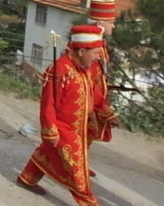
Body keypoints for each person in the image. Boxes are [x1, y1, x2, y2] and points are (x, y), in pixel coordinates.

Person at [16, 25, 105, 206]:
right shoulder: (59, 71)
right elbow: (48, 104)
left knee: (48, 152)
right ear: (81, 51)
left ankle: (27, 178)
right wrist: (50, 131)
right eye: (95, 53)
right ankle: (89, 202)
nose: (98, 57)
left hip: (79, 127)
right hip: (63, 128)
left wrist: (99, 112)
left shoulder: (84, 69)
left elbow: (91, 92)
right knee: (76, 169)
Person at [85, 0, 119, 176]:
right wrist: (103, 107)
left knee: (86, 136)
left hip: (94, 100)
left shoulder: (100, 45)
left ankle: (79, 164)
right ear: (99, 22)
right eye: (111, 23)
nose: (113, 27)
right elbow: (88, 81)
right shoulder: (89, 48)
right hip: (86, 100)